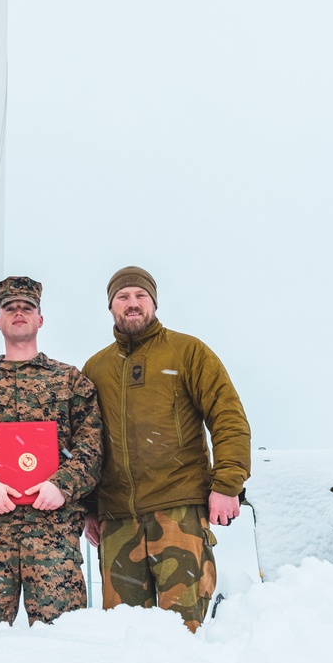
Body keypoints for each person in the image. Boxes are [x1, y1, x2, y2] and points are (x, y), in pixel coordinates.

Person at [83, 265, 251, 631]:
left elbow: (228, 417)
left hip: (179, 514)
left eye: (140, 296)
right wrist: (90, 508)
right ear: (110, 306)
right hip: (118, 522)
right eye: (123, 297)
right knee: (122, 636)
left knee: (185, 632)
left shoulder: (187, 352)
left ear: (154, 303)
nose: (132, 303)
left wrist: (227, 484)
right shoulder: (96, 368)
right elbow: (86, 445)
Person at [0, 276, 102, 626]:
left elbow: (92, 448)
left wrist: (62, 485)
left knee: (61, 638)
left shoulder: (69, 381)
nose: (19, 313)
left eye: (27, 308)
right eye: (10, 308)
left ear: (40, 319)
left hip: (53, 533)